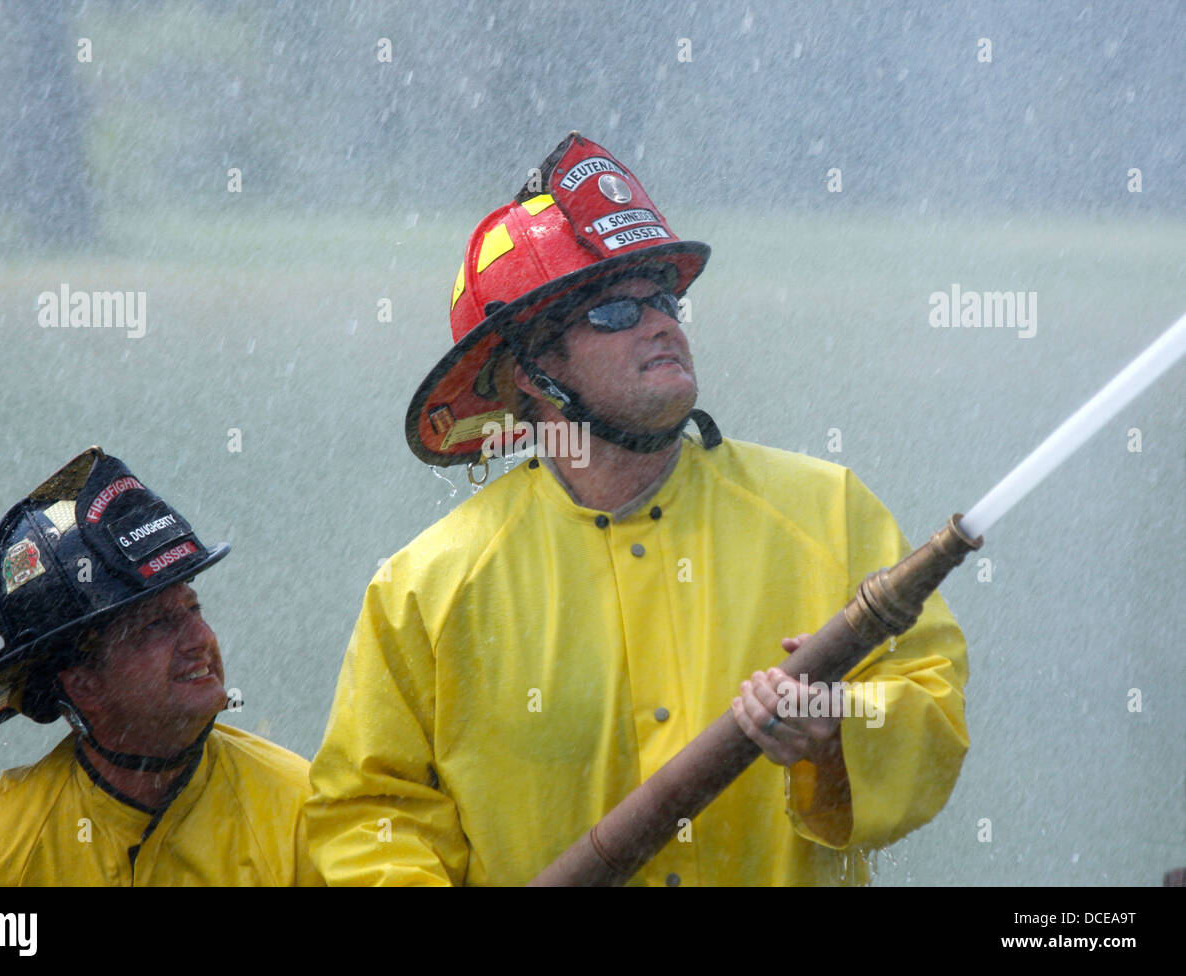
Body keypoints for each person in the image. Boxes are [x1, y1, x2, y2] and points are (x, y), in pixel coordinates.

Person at [308, 132, 969, 886]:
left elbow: (933, 702)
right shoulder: (425, 589)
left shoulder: (830, 512)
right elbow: (369, 813)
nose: (660, 323)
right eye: (614, 312)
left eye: (663, 299)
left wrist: (838, 734)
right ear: (528, 369)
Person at [0, 447, 322, 886]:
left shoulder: (307, 817)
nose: (200, 640)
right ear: (82, 683)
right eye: (157, 624)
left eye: (194, 609)